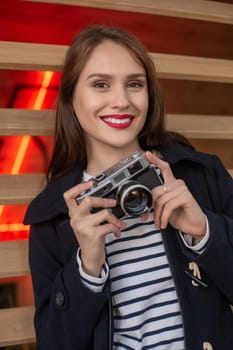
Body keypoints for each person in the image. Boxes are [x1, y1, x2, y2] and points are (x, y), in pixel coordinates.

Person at [24, 25, 233, 350]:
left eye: (134, 84)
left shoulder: (201, 176)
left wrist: (203, 232)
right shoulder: (53, 218)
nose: (121, 101)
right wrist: (87, 269)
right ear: (71, 99)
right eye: (101, 85)